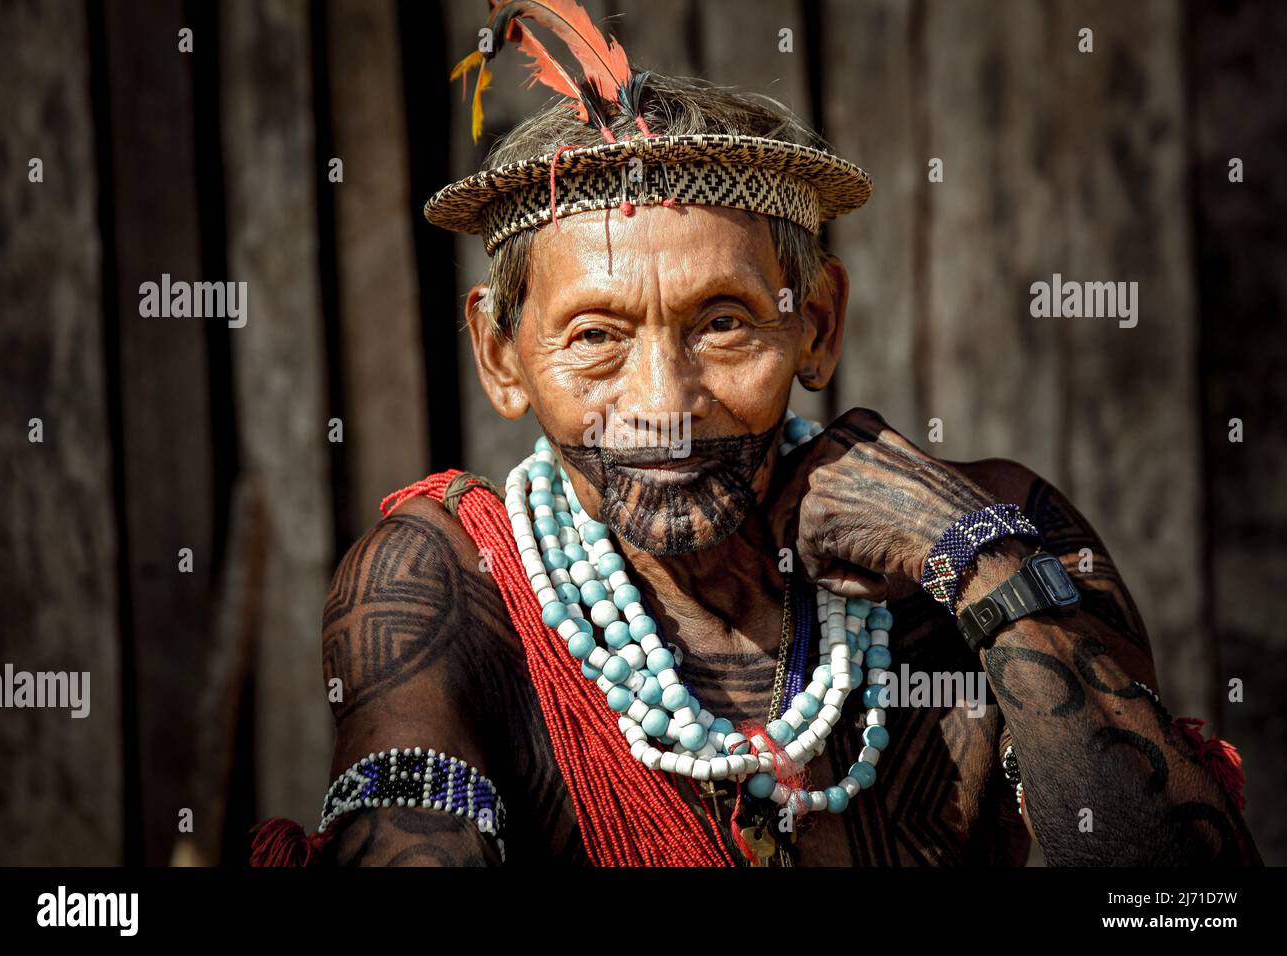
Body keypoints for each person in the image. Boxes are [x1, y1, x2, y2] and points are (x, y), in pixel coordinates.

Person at [252, 3, 1258, 868]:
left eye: (722, 322)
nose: (665, 398)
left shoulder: (997, 527)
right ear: (501, 355)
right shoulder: (446, 582)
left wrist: (981, 561)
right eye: (595, 336)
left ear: (815, 323)